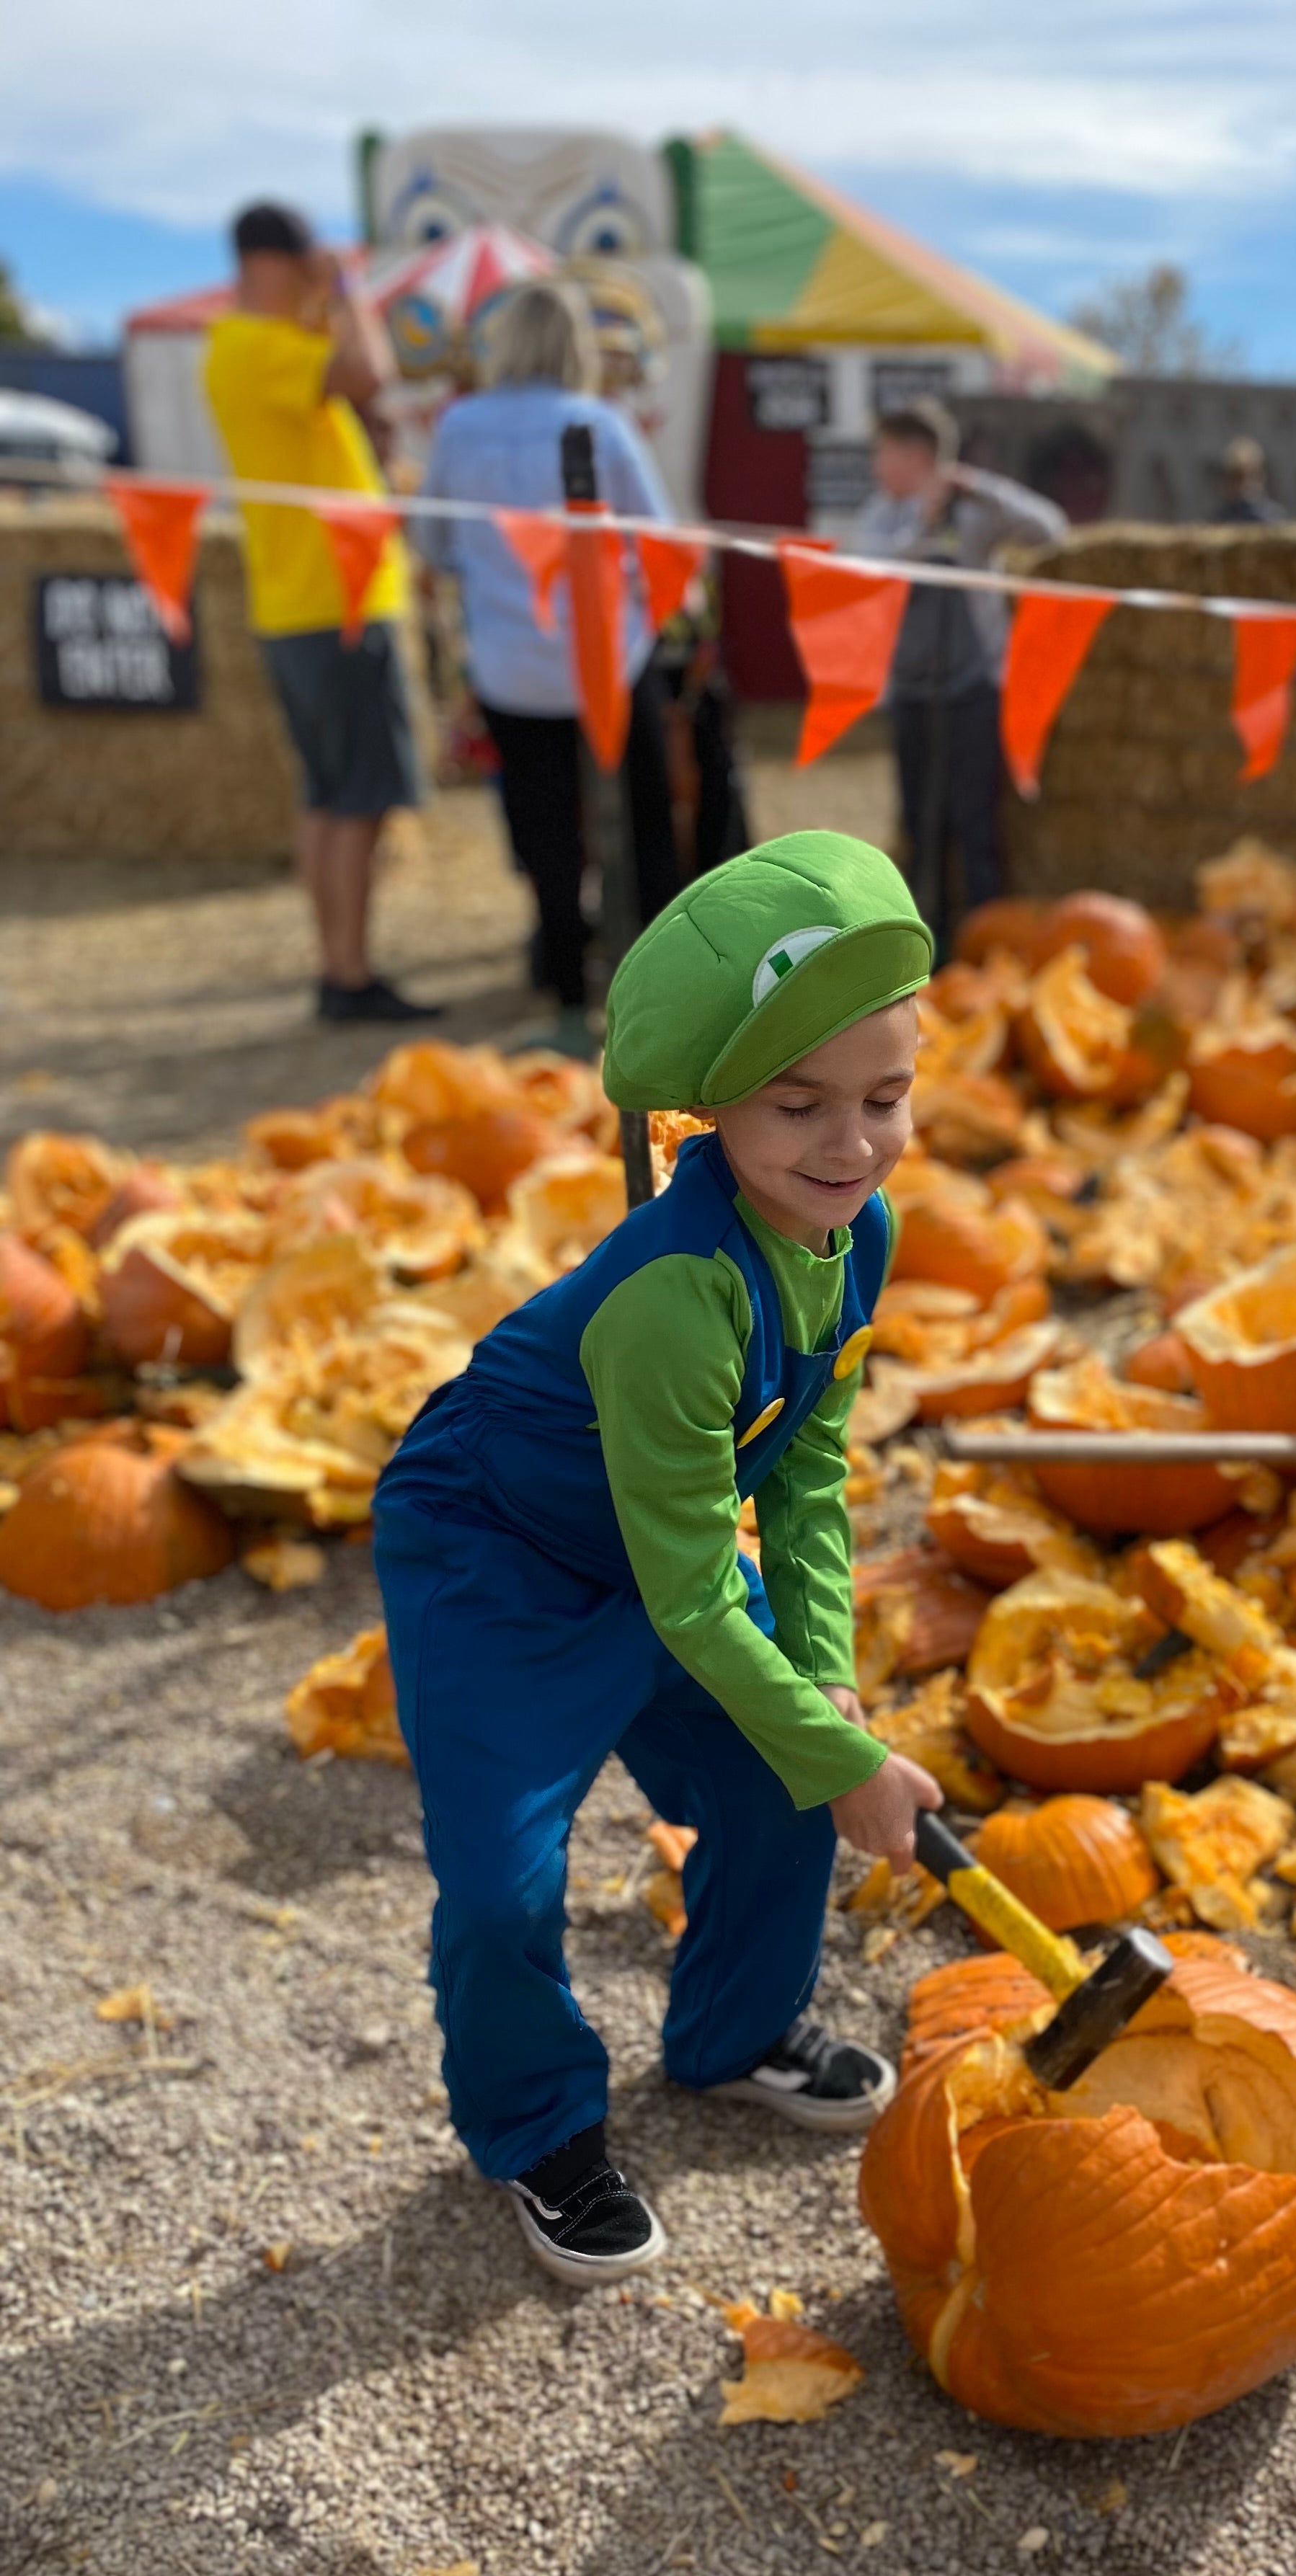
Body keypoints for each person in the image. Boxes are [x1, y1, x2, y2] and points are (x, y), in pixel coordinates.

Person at [371, 831, 944, 2286]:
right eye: (797, 1107)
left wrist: (825, 1691)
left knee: (777, 1783)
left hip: (656, 1542)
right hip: (499, 1553)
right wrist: (834, 1744)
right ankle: (538, 2131)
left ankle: (734, 2031)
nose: (849, 1144)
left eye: (884, 1099)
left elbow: (806, 1474)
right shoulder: (676, 1298)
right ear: (711, 1117)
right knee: (501, 1890)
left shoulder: (855, 1235)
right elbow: (696, 1585)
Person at [412, 280, 683, 1057]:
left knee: (546, 836)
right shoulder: (599, 422)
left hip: (509, 665)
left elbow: (432, 545)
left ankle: (568, 996)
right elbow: (655, 542)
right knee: (642, 825)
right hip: (608, 660)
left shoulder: (458, 427)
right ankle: (664, 995)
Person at [203, 201, 435, 1025]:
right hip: (335, 600)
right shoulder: (259, 345)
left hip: (302, 600)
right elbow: (371, 371)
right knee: (358, 799)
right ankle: (349, 972)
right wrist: (348, 292)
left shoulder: (249, 349)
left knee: (329, 795)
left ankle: (342, 966)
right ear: (282, 265)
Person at [847, 399, 1065, 950]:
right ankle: (925, 942)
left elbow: (1052, 531)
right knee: (920, 825)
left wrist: (983, 488)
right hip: (913, 694)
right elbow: (873, 570)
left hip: (972, 691)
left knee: (975, 823)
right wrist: (923, 526)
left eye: (884, 455)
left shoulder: (973, 510)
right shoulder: (881, 514)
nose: (877, 469)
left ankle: (990, 946)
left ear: (916, 456)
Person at [1212, 437, 1285, 526]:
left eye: (1251, 477)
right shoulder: (1223, 518)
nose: (1243, 486)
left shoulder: (1271, 518)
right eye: (1236, 479)